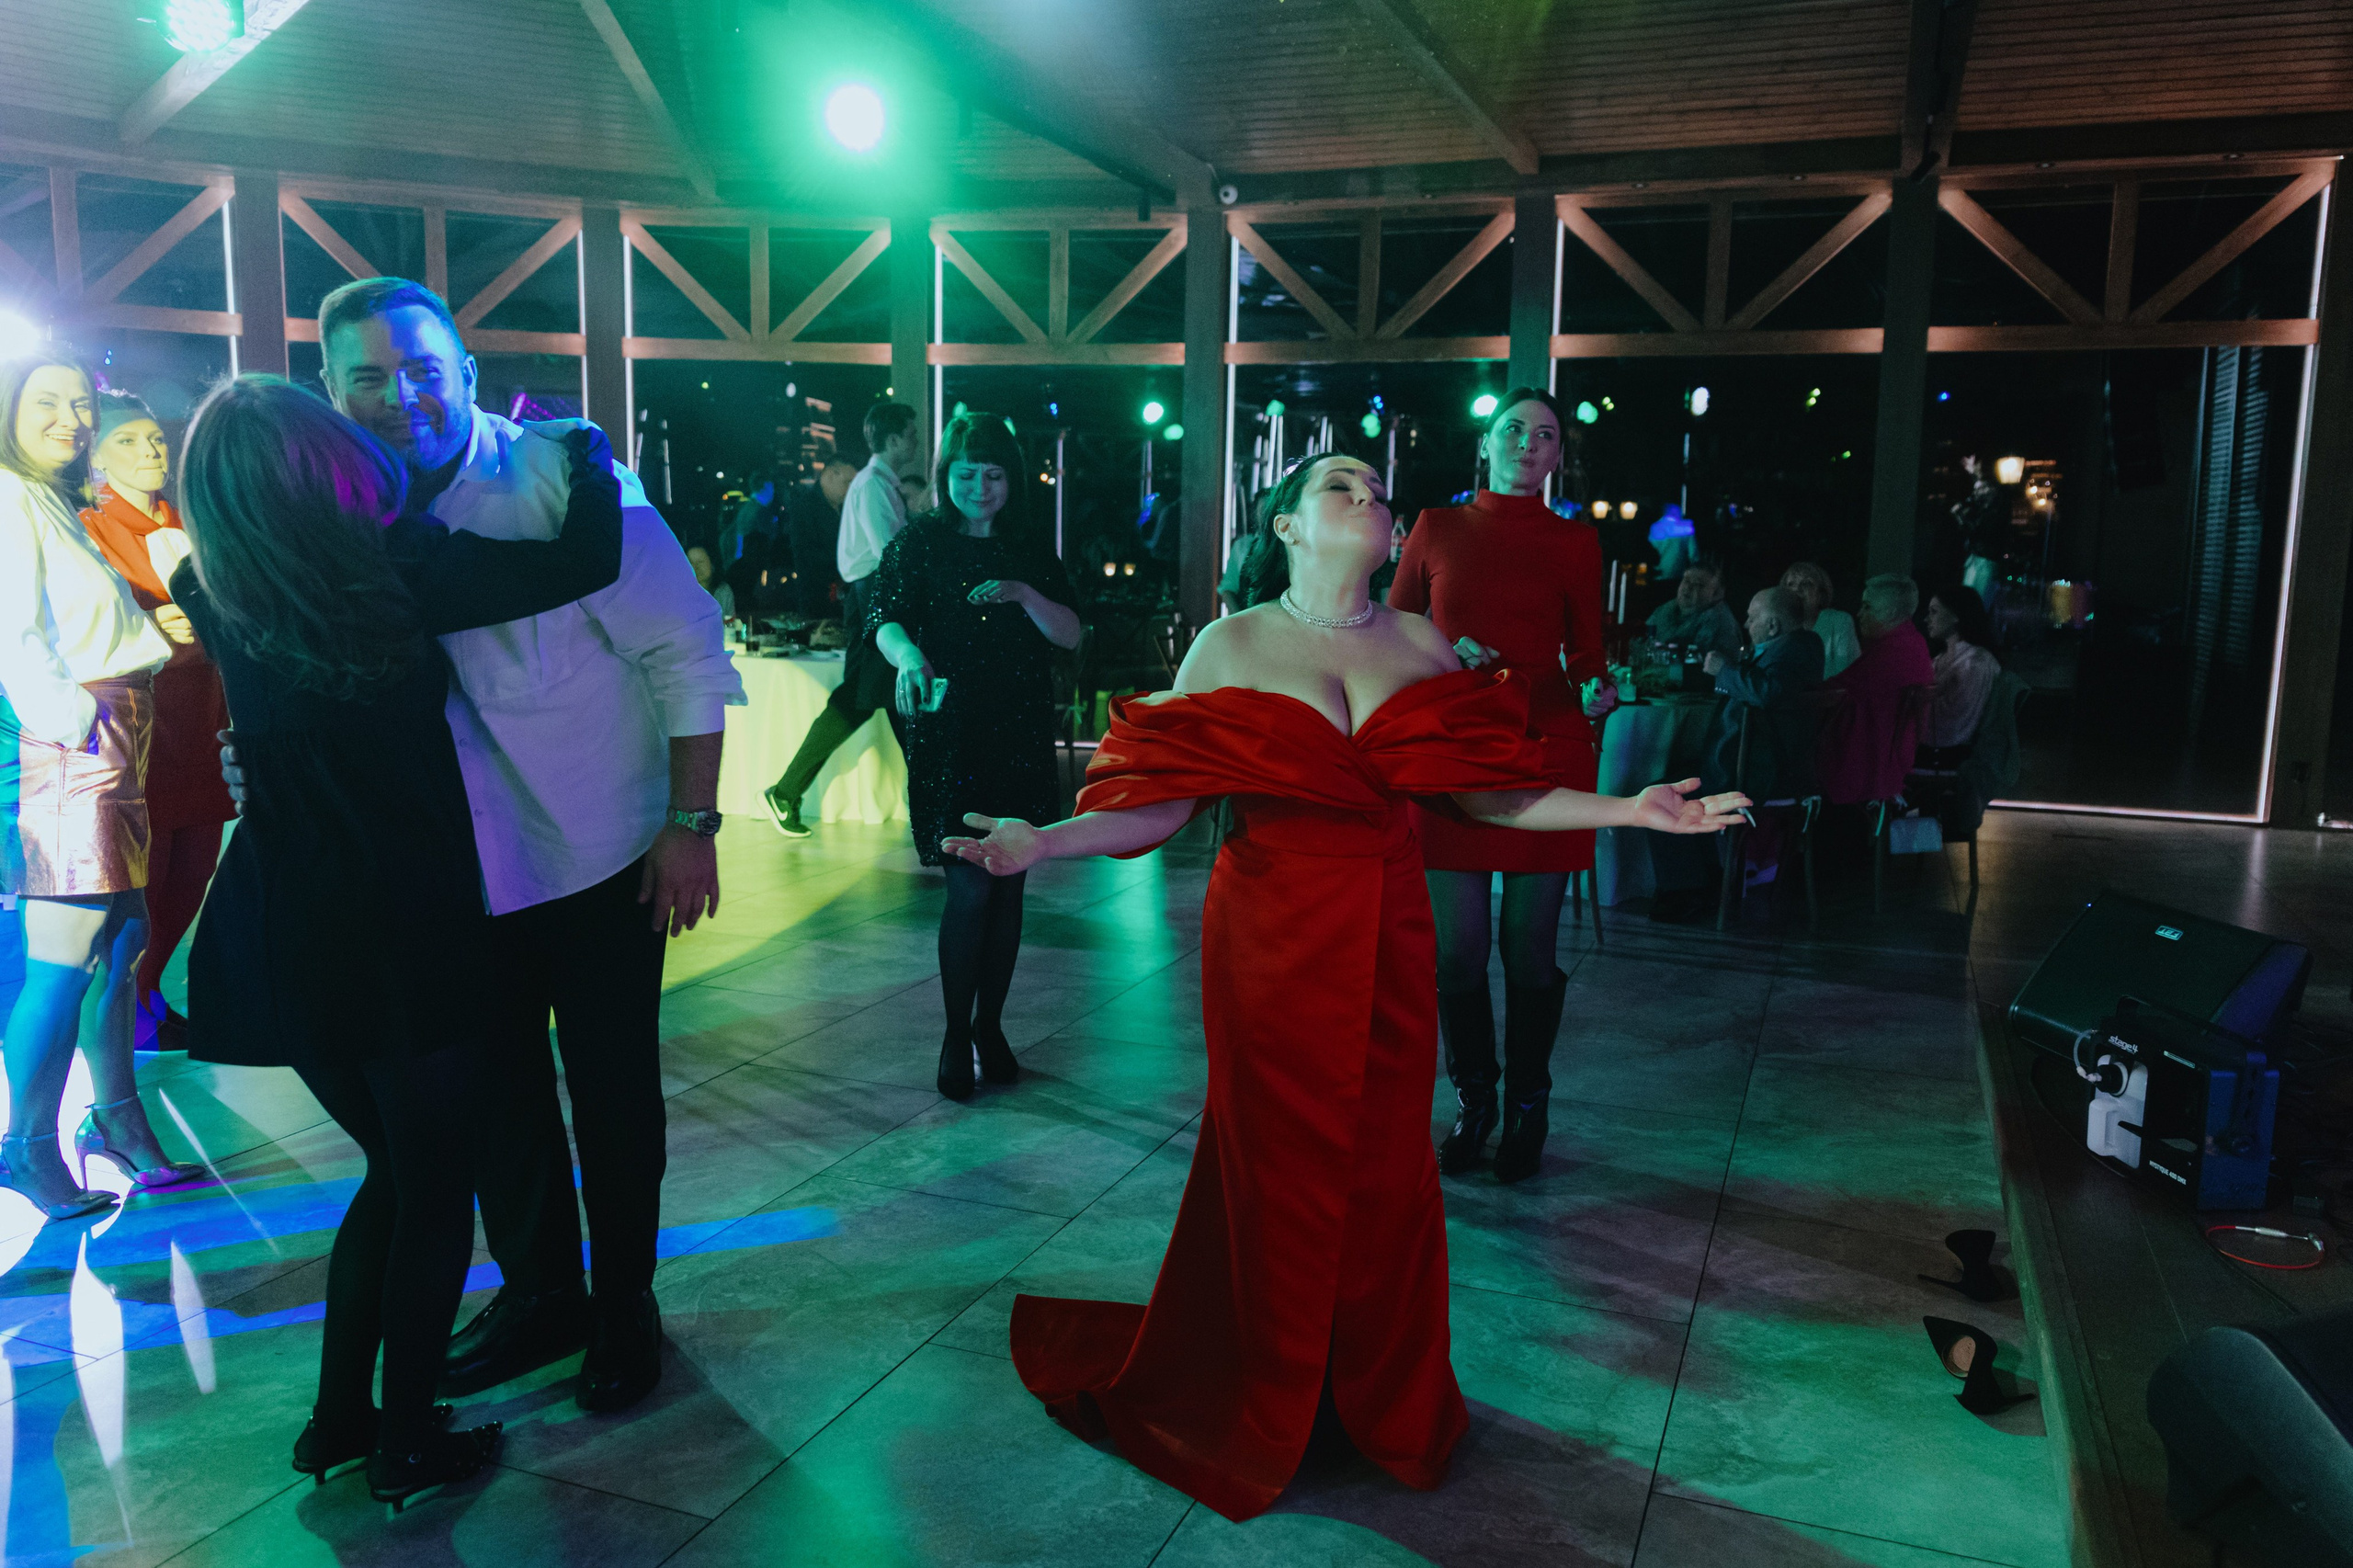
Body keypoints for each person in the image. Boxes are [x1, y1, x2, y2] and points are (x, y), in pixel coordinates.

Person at [941, 452, 1745, 1521]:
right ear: (1285, 526)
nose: (1372, 501)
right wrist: (1041, 841)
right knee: (1271, 1158)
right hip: (1268, 932)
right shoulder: (1230, 645)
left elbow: (1493, 803)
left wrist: (1631, 813)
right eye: (1343, 489)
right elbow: (1162, 805)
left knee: (1384, 1166)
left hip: (1390, 930)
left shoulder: (1423, 647)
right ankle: (1260, 1385)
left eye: (1377, 492)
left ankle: (1372, 1389)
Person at [176, 377, 621, 1504]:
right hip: (398, 917)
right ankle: (406, 1434)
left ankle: (340, 1418)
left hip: (282, 920)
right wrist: (588, 456)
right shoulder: (387, 574)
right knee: (431, 1184)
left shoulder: (210, 585)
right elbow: (578, 561)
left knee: (394, 1170)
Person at [304, 277, 741, 1415]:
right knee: (494, 1099)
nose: (400, 396)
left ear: (464, 371)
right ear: (330, 389)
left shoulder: (561, 480)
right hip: (447, 871)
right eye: (369, 375)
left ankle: (625, 1300)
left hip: (598, 847)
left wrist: (690, 824)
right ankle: (543, 1292)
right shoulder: (336, 513)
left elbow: (688, 651)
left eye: (422, 369)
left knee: (611, 1093)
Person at [1386, 388, 1607, 1184]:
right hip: (1451, 749)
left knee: (1528, 951)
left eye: (1545, 435)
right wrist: (1448, 651)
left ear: (1556, 457)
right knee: (1460, 950)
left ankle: (1527, 1107)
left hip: (1546, 745)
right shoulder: (1436, 527)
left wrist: (1596, 688)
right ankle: (1473, 1101)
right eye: (1514, 430)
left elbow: (1587, 651)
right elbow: (1395, 630)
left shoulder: (1576, 541)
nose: (1528, 444)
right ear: (1486, 442)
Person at [0, 353, 196, 1222]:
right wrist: (74, 729)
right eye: (46, 402)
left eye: (80, 403)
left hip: (113, 732)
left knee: (121, 941)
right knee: (64, 956)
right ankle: (26, 1148)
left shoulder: (46, 496)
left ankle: (113, 1120)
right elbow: (16, 638)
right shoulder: (8, 494)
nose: (70, 419)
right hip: (74, 744)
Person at [870, 413, 1081, 1101]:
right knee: (967, 887)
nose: (979, 488)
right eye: (965, 474)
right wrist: (905, 653)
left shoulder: (1028, 548)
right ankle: (956, 1034)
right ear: (945, 477)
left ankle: (991, 1025)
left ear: (1011, 479)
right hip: (952, 734)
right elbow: (885, 618)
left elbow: (1072, 633)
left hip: (1017, 733)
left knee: (1009, 885)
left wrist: (1024, 594)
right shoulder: (920, 541)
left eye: (992, 475)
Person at [79, 391, 233, 1052]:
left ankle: (148, 992)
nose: (149, 451)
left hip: (204, 712)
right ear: (97, 459)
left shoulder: (190, 520)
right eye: (128, 441)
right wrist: (145, 621)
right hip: (142, 724)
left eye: (155, 440)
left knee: (192, 872)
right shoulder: (90, 525)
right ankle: (126, 1007)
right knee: (147, 880)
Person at [762, 403, 923, 837]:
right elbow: (891, 551)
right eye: (911, 434)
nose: (916, 441)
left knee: (887, 700)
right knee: (871, 698)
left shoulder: (877, 484)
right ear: (892, 440)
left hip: (873, 596)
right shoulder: (872, 486)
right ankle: (786, 790)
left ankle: (935, 802)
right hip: (873, 596)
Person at [1650, 588, 1828, 922]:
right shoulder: (1787, 648)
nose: (1745, 622)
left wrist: (1724, 670)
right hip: (1751, 767)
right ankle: (1709, 885)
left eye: (1752, 616)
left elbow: (1767, 691)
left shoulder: (1799, 649)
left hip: (1761, 776)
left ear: (1773, 625)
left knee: (1660, 794)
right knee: (1676, 774)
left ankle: (1686, 893)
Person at [1817, 574, 1936, 805]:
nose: (1859, 614)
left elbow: (1833, 693)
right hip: (1892, 760)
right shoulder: (1914, 643)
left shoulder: (1890, 653)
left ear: (1890, 613)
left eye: (1867, 606)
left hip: (1869, 764)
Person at [1921, 585, 2000, 763]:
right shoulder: (1940, 658)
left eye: (1934, 612)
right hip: (1930, 744)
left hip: (1945, 751)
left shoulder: (1976, 662)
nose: (1927, 619)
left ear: (1956, 615)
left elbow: (1958, 722)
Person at [1646, 559, 1743, 662]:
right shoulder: (1664, 610)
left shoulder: (1721, 624)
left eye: (1698, 585)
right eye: (1686, 580)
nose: (1688, 587)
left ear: (1716, 594)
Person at [1781, 562, 1860, 678]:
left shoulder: (1839, 620)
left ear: (1821, 594)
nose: (1797, 589)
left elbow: (1847, 675)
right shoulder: (1779, 625)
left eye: (1807, 584)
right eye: (1791, 584)